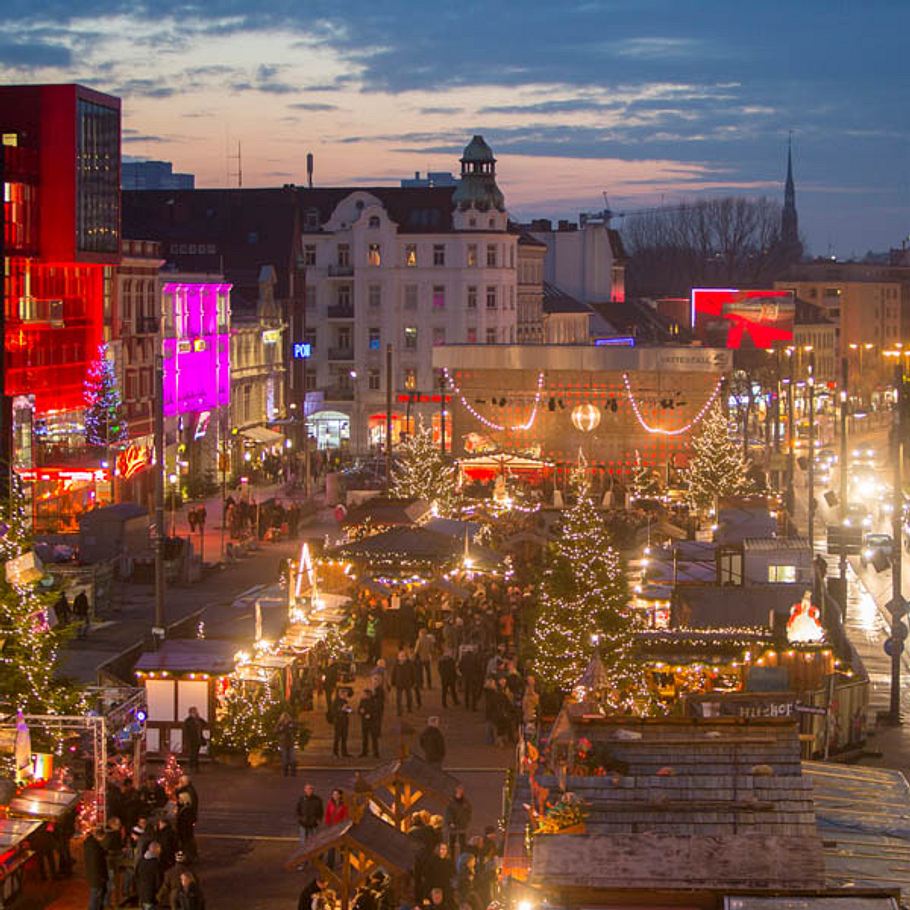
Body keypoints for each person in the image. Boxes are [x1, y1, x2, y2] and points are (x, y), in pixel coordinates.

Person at [84, 825, 109, 910]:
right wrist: (101, 877)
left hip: (94, 876)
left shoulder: (91, 844)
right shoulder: (94, 848)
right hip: (97, 877)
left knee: (96, 895)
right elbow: (96, 863)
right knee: (95, 896)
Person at [444, 785, 472, 857]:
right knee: (451, 845)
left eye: (461, 791)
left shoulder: (466, 803)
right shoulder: (451, 802)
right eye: (459, 790)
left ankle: (462, 859)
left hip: (462, 826)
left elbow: (468, 813)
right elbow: (448, 813)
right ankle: (451, 859)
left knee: (462, 845)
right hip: (453, 827)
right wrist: (451, 822)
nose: (460, 792)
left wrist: (466, 822)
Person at [324, 789, 349, 869]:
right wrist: (328, 825)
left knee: (342, 846)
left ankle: (344, 863)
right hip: (332, 827)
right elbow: (327, 814)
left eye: (336, 794)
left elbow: (345, 816)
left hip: (340, 828)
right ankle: (330, 864)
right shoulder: (330, 804)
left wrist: (342, 826)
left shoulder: (344, 805)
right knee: (331, 846)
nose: (334, 796)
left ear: (340, 795)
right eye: (333, 794)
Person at [136, 840, 162, 910]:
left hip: (142, 894)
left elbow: (136, 876)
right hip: (151, 895)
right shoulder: (156, 864)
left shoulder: (141, 861)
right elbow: (158, 881)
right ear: (156, 851)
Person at [181, 707, 208, 772]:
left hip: (198, 739)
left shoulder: (198, 720)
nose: (194, 713)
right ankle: (192, 767)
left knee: (196, 754)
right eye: (193, 712)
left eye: (195, 712)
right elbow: (185, 731)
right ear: (190, 713)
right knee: (192, 754)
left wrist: (198, 717)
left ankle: (195, 767)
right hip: (191, 740)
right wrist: (186, 741)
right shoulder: (188, 721)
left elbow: (205, 723)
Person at [391, 650, 416, 716]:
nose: (402, 657)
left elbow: (413, 673)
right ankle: (399, 711)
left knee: (409, 697)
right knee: (398, 698)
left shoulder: (409, 664)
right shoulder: (396, 665)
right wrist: (393, 682)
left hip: (407, 683)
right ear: (398, 657)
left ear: (406, 657)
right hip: (399, 683)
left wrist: (414, 682)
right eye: (400, 656)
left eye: (403, 656)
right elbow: (393, 674)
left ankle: (409, 708)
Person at [357, 689, 381, 759]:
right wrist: (360, 712)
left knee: (374, 738)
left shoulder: (374, 702)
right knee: (364, 738)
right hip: (364, 722)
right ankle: (364, 752)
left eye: (364, 694)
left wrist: (370, 715)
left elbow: (376, 711)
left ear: (368, 695)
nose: (363, 695)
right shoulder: (362, 701)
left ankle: (376, 752)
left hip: (372, 723)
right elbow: (359, 709)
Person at [331, 689, 352, 758]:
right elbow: (334, 711)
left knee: (344, 737)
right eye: (345, 695)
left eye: (346, 695)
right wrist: (341, 709)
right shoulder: (336, 702)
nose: (346, 696)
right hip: (338, 722)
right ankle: (335, 753)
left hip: (344, 721)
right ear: (341, 694)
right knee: (337, 737)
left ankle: (344, 752)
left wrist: (348, 710)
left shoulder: (345, 701)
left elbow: (349, 710)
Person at [276, 711, 298, 777]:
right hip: (283, 743)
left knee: (292, 758)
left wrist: (292, 727)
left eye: (286, 718)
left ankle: (293, 772)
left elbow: (295, 728)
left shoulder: (291, 724)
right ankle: (285, 772)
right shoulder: (280, 724)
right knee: (284, 758)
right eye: (284, 718)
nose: (285, 719)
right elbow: (276, 730)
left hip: (290, 743)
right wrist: (281, 729)